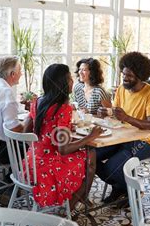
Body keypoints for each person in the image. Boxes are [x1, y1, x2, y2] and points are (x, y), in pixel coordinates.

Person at [23, 64, 103, 209]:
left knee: (87, 153)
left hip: (31, 162)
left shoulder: (37, 102)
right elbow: (63, 149)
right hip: (48, 168)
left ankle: (80, 198)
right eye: (70, 79)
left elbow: (25, 132)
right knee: (91, 154)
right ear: (62, 83)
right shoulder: (63, 108)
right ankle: (73, 204)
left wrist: (43, 142)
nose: (73, 81)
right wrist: (90, 136)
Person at [96, 52, 150, 205]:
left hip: (144, 142)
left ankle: (131, 191)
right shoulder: (121, 89)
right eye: (124, 74)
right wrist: (106, 113)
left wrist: (127, 118)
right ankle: (123, 189)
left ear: (140, 76)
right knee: (90, 155)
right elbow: (117, 115)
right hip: (120, 137)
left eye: (129, 76)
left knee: (112, 167)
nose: (125, 78)